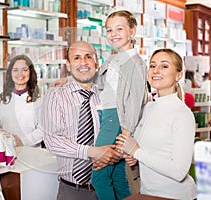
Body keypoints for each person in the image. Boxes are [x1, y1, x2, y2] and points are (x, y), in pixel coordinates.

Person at [42, 41, 122, 200]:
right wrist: (93, 152)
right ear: (68, 65)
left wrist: (116, 153)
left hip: (108, 186)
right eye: (76, 58)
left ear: (96, 63)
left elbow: (121, 129)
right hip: (73, 191)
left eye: (88, 57)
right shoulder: (56, 95)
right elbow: (52, 140)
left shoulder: (108, 94)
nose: (83, 62)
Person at [117, 48, 197, 199]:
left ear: (179, 75)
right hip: (148, 194)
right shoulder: (147, 108)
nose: (156, 70)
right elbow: (149, 151)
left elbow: (179, 172)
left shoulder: (182, 114)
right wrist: (134, 156)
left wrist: (136, 152)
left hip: (176, 196)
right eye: (152, 66)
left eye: (164, 66)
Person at [91, 10, 147, 200]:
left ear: (132, 31)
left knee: (99, 177)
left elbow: (135, 101)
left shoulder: (136, 63)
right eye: (109, 30)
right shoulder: (112, 60)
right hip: (106, 116)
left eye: (119, 29)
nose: (113, 34)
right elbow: (96, 84)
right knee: (117, 176)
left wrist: (126, 133)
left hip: (117, 120)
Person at [0, 54, 43, 147]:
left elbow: (43, 130)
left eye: (24, 70)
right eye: (15, 70)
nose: (20, 74)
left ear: (31, 73)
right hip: (5, 151)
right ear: (10, 73)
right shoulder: (1, 99)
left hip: (32, 152)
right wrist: (4, 139)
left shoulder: (39, 100)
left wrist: (21, 141)